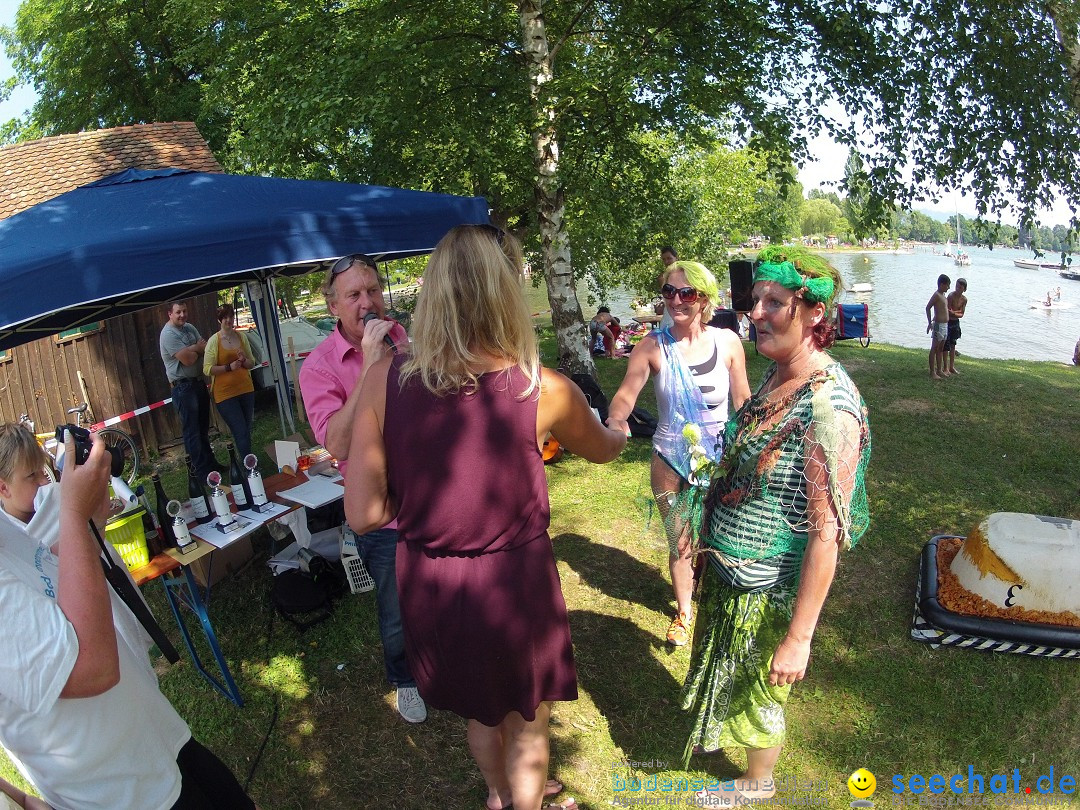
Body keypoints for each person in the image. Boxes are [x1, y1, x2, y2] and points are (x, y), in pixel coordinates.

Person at [344, 224, 625, 810]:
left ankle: (498, 794)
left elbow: (364, 513)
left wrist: (427, 502)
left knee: (480, 709)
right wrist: (621, 425)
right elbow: (603, 447)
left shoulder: (384, 378)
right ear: (506, 291)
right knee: (526, 719)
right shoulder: (538, 389)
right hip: (513, 585)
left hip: (431, 582)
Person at [679, 246, 870, 802]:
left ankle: (755, 784)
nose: (755, 312)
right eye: (755, 299)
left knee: (761, 692)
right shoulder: (775, 375)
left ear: (814, 314)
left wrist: (799, 638)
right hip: (731, 565)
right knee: (727, 668)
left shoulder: (829, 409)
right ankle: (717, 738)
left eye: (775, 302)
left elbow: (825, 532)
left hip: (769, 587)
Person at [0, 425, 256, 810]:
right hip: (126, 793)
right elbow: (92, 669)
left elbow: (54, 575)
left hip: (156, 738)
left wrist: (92, 522)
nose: (43, 483)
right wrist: (73, 514)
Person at [297, 253, 427, 724]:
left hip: (426, 491)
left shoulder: (401, 339)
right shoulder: (319, 367)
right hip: (378, 506)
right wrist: (372, 366)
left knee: (437, 585)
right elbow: (335, 441)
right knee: (395, 602)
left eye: (372, 290)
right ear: (333, 306)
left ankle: (439, 663)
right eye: (353, 295)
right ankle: (405, 678)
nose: (367, 302)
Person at [607, 260, 750, 647]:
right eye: (669, 292)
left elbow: (742, 400)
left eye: (686, 293)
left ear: (704, 299)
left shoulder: (728, 343)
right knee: (681, 541)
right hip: (670, 460)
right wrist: (617, 420)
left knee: (719, 535)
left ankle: (711, 585)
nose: (676, 301)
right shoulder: (652, 346)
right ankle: (685, 613)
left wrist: (754, 441)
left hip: (720, 460)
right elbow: (625, 393)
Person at [160, 301, 220, 478]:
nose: (182, 315)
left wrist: (196, 350)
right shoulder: (168, 334)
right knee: (192, 431)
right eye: (178, 312)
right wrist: (196, 348)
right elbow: (188, 360)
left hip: (198, 382)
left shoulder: (189, 328)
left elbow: (207, 348)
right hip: (183, 388)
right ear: (169, 314)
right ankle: (201, 472)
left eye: (185, 311)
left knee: (203, 428)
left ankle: (211, 465)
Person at [203, 304, 258, 459]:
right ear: (219, 320)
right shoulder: (214, 340)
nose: (228, 320)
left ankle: (247, 460)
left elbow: (251, 363)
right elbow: (207, 369)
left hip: (246, 389)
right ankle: (249, 466)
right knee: (240, 430)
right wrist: (229, 367)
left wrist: (243, 360)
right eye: (225, 317)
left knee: (246, 429)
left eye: (230, 316)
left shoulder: (241, 337)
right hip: (225, 394)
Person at [925, 274, 950, 379]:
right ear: (942, 284)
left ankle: (939, 370)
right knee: (934, 348)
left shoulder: (943, 296)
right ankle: (932, 372)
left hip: (945, 325)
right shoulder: (936, 295)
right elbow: (928, 307)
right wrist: (930, 323)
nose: (948, 287)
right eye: (947, 285)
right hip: (938, 325)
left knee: (941, 348)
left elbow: (940, 310)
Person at [944, 278, 968, 376]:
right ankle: (945, 368)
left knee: (953, 345)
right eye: (957, 286)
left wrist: (955, 312)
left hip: (956, 323)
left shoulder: (964, 299)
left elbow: (962, 313)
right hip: (948, 322)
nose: (958, 289)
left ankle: (951, 366)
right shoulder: (950, 296)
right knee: (946, 346)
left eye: (960, 287)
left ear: (964, 289)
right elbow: (948, 311)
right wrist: (955, 312)